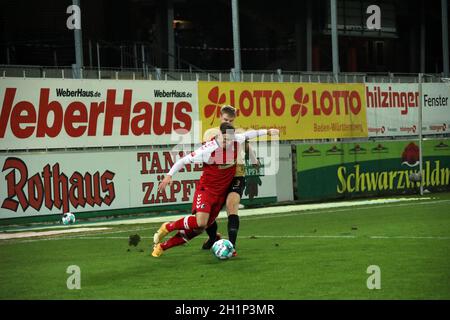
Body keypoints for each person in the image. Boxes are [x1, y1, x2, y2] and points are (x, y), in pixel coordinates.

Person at [151, 122, 278, 257]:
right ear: (219, 135)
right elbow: (183, 160)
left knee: (199, 229)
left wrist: (268, 131)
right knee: (201, 222)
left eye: (229, 139)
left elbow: (250, 134)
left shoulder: (236, 140)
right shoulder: (208, 149)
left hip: (221, 195)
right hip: (206, 190)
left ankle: (162, 247)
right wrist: (169, 175)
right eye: (224, 139)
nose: (227, 142)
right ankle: (168, 227)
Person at [201, 105, 260, 256]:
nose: (228, 122)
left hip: (237, 174)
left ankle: (231, 247)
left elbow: (247, 146)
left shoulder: (238, 133)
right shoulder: (210, 134)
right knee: (207, 213)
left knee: (231, 205)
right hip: (219, 177)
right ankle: (214, 238)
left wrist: (254, 159)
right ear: (219, 116)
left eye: (231, 121)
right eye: (226, 119)